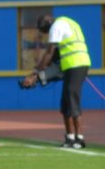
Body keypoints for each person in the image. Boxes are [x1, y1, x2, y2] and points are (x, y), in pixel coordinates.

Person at [20, 15, 91, 149]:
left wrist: (34, 72)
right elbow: (57, 54)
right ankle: (70, 138)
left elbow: (49, 52)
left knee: (72, 98)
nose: (45, 33)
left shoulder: (56, 26)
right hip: (73, 65)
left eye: (43, 29)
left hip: (76, 64)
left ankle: (79, 139)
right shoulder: (70, 22)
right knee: (65, 101)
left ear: (47, 23)